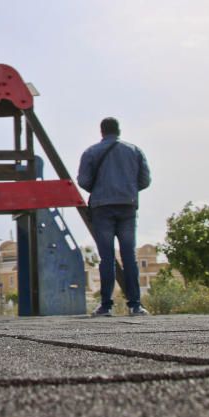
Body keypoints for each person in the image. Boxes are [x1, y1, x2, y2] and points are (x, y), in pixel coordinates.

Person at [77, 117, 151, 317]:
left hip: (102, 208)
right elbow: (145, 180)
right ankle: (135, 305)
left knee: (107, 258)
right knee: (129, 257)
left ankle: (106, 306)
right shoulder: (134, 151)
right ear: (118, 130)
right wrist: (127, 189)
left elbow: (83, 180)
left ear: (101, 131)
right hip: (127, 206)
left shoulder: (91, 152)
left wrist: (100, 187)